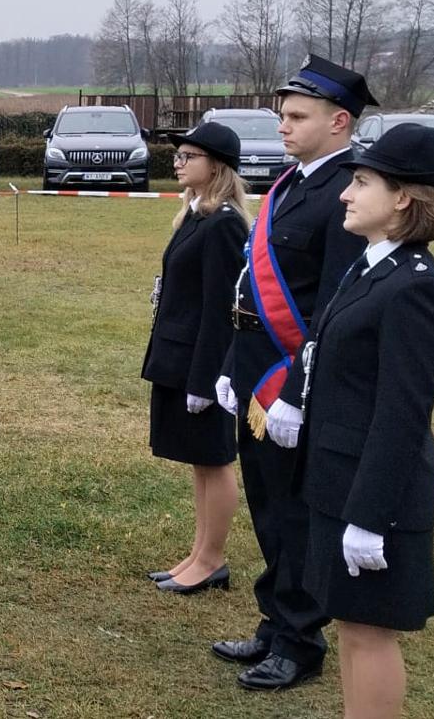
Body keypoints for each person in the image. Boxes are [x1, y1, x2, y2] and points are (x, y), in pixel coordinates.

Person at [211, 54, 377, 691]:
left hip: (296, 373)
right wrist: (232, 362)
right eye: (283, 114)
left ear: (339, 122)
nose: (283, 125)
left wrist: (299, 393)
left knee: (297, 509)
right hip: (257, 362)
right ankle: (273, 620)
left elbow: (333, 305)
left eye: (297, 115)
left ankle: (300, 638)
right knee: (266, 500)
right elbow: (253, 282)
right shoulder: (292, 182)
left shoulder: (346, 191)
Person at [299, 123, 434, 719]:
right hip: (341, 478)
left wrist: (370, 516)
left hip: (375, 493)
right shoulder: (371, 267)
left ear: (403, 199)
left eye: (362, 182)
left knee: (369, 633)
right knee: (352, 625)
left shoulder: (413, 289)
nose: (345, 193)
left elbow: (402, 413)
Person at [139, 122, 251, 595]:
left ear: (216, 166)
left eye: (188, 156)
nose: (178, 162)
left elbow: (221, 309)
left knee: (215, 458)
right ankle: (198, 553)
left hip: (200, 363)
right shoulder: (196, 214)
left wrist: (206, 380)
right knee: (199, 462)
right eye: (179, 155)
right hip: (179, 354)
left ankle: (212, 559)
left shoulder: (224, 223)